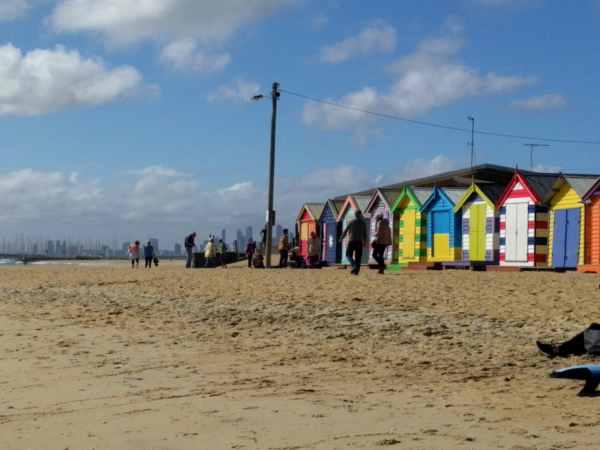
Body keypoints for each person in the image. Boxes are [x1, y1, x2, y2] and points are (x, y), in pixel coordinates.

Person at [340, 210, 368, 275]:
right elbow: (365, 233)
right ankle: (356, 272)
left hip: (352, 240)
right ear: (360, 214)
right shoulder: (363, 223)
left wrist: (341, 238)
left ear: (355, 215)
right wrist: (365, 241)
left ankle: (354, 265)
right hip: (359, 241)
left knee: (348, 254)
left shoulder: (351, 222)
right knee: (358, 257)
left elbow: (345, 231)